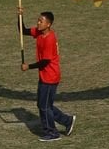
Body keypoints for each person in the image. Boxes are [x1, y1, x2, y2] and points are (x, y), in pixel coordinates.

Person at [19, 9, 75, 141]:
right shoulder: (39, 32)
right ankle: (67, 121)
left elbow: (45, 62)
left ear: (48, 24)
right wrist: (20, 16)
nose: (38, 23)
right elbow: (23, 31)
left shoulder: (50, 39)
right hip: (44, 76)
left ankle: (52, 132)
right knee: (43, 105)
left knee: (44, 106)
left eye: (41, 21)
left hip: (50, 76)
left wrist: (28, 67)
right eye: (38, 20)